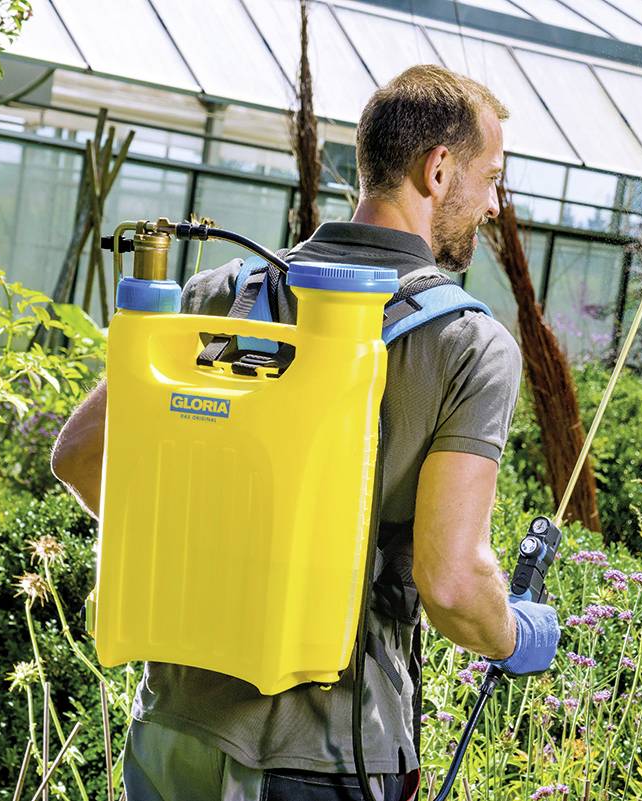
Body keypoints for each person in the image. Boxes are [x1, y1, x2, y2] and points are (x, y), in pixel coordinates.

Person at [51, 64, 560, 801]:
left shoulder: (220, 295)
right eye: (491, 178)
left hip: (174, 735)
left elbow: (80, 456)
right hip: (324, 762)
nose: (491, 204)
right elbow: (450, 580)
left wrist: (209, 551)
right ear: (439, 169)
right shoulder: (467, 345)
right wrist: (514, 633)